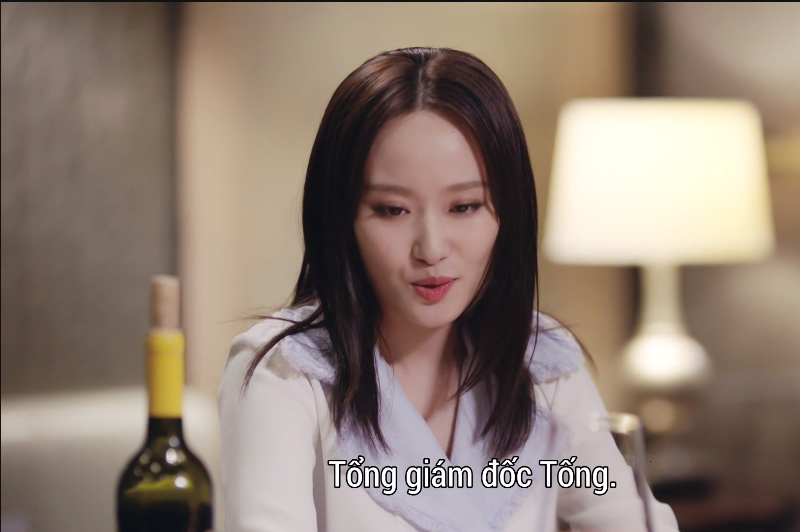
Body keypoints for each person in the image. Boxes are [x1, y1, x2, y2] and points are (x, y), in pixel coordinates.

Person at [217, 47, 679, 532]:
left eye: (464, 207)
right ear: (341, 218)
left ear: (508, 212)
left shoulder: (540, 363)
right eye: (392, 210)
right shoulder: (284, 375)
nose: (432, 249)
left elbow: (634, 523)